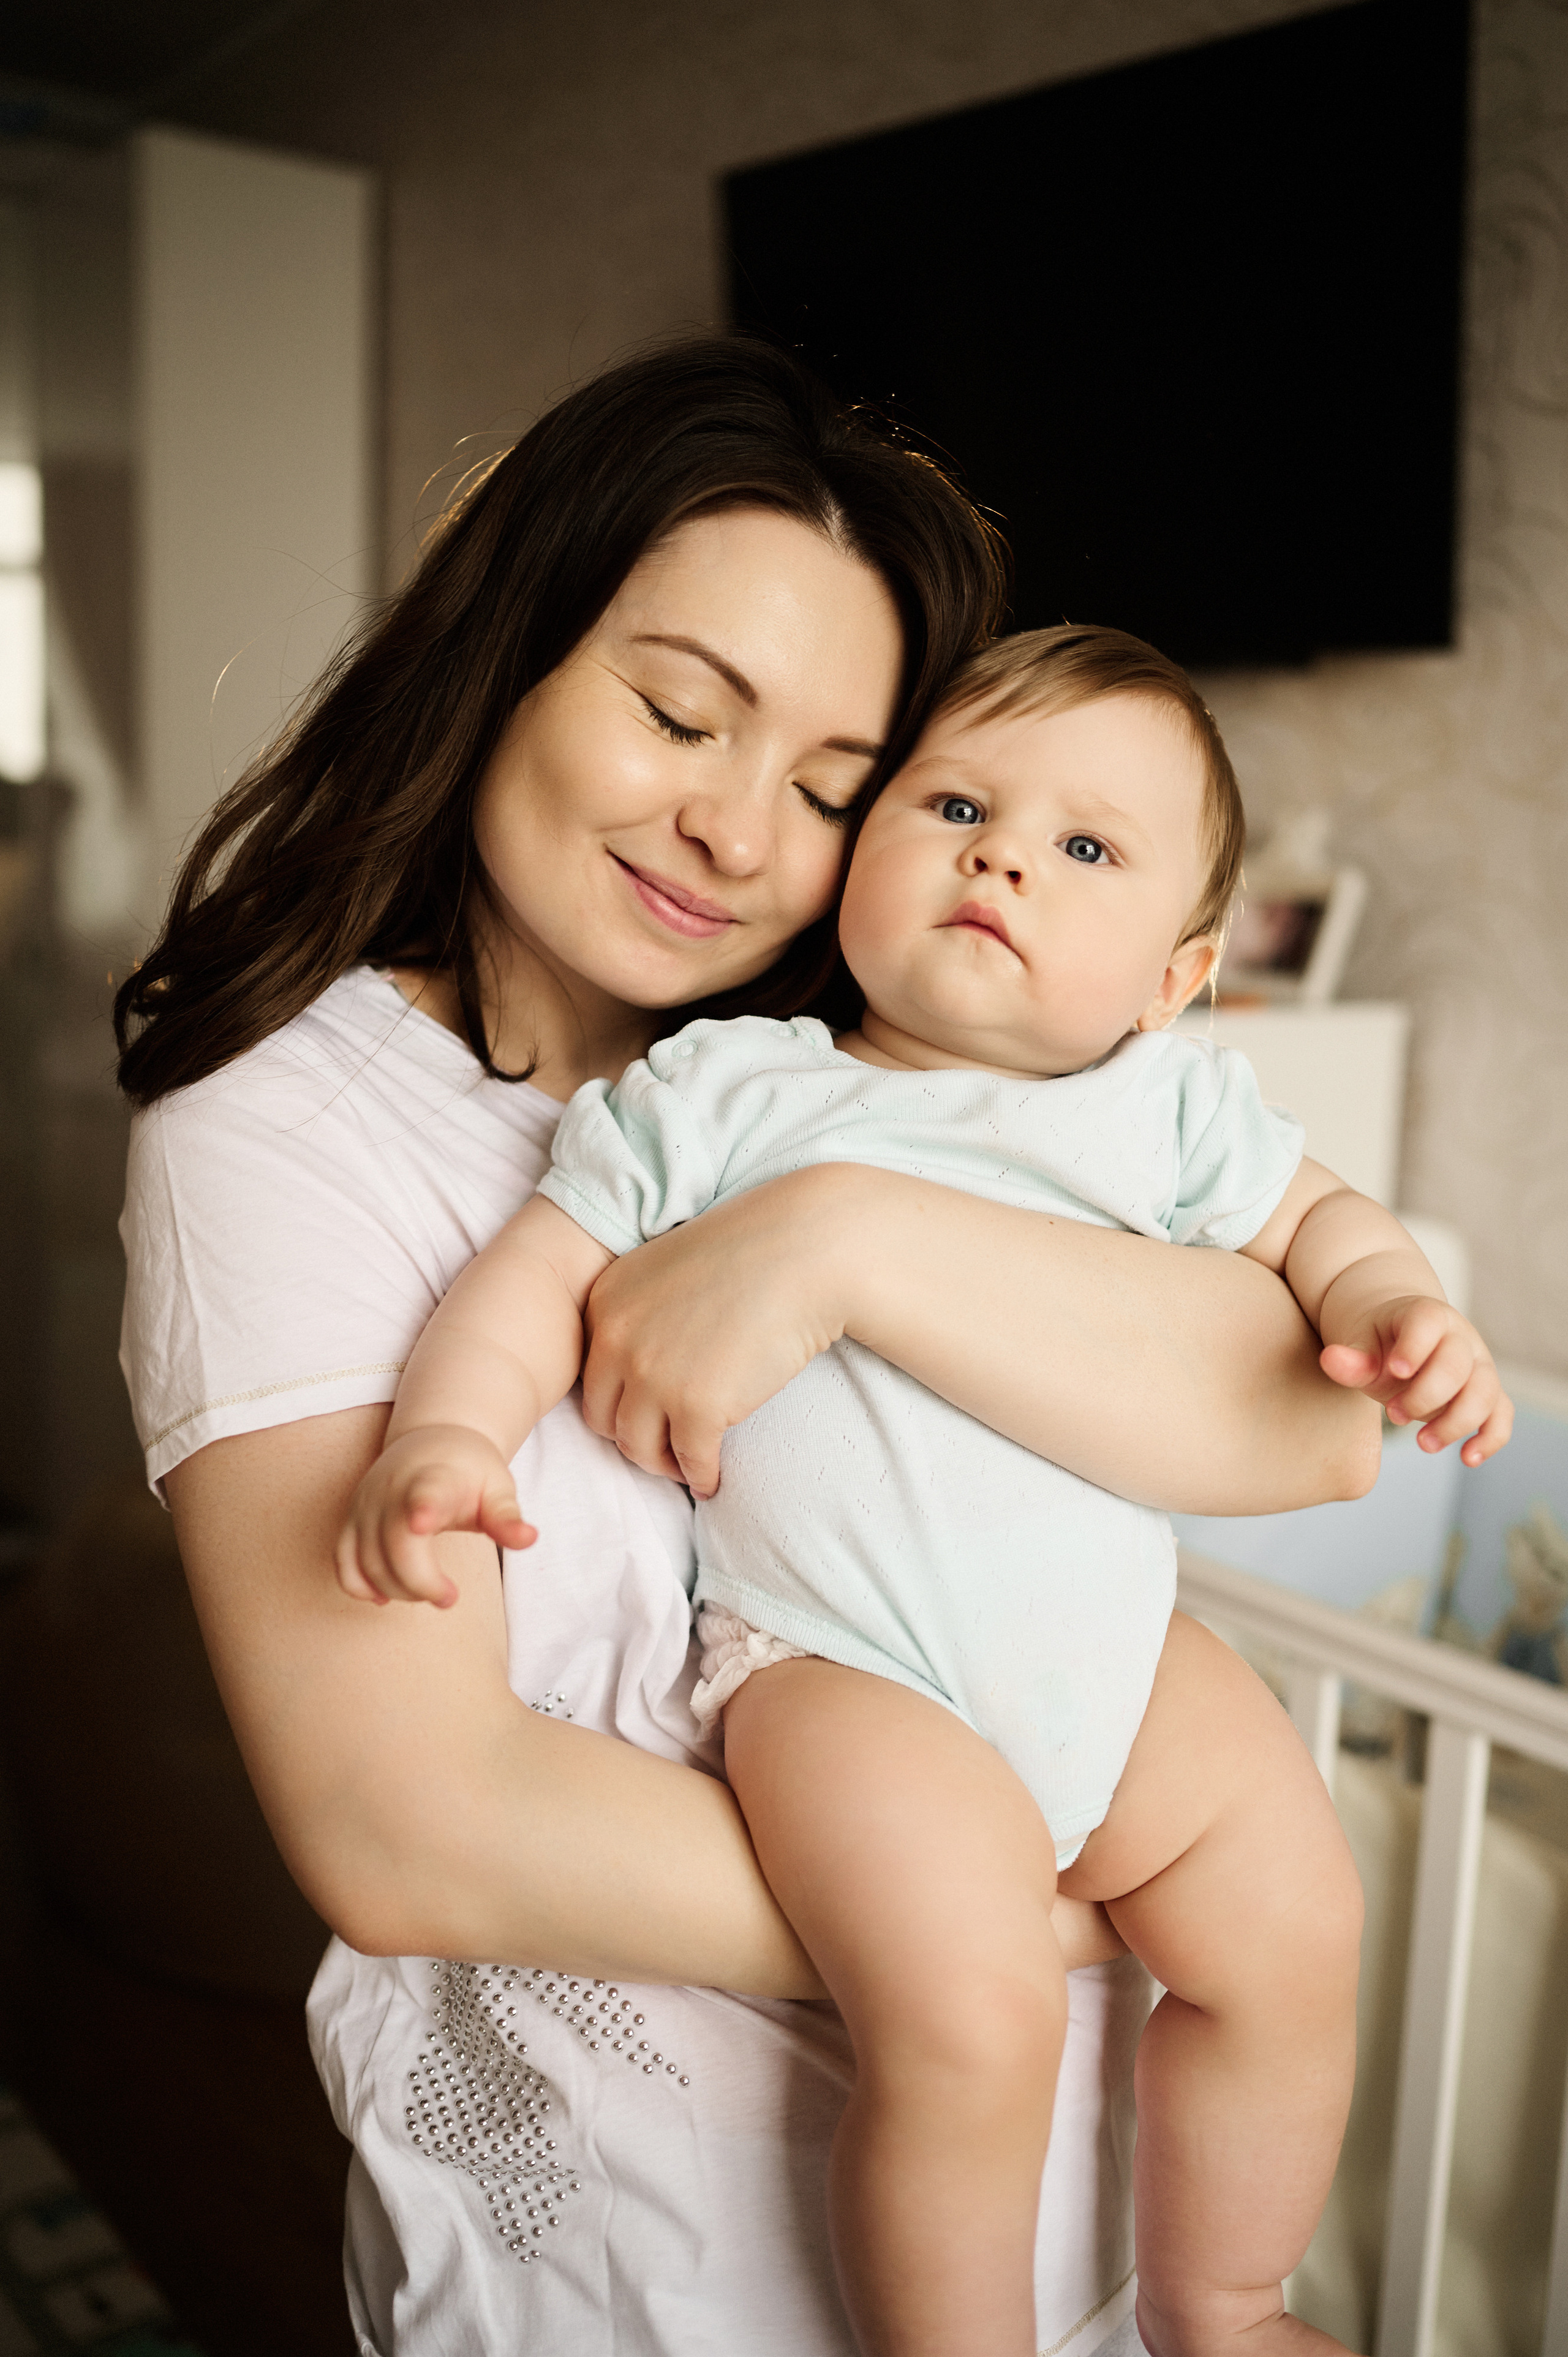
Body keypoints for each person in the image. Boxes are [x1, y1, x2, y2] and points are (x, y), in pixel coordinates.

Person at [117, 340, 1383, 2357]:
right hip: (644, 2270)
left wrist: (847, 1241)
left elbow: (1315, 1430)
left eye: (825, 787)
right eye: (679, 713)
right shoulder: (293, 1127)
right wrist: (1038, 1911)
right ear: (508, 647)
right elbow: (411, 1826)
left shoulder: (877, 1088)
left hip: (1100, 2246)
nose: (729, 829)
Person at [337, 620, 1510, 2355]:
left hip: (1114, 1659)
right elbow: (530, 1275)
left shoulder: (1165, 1113)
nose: (1005, 854)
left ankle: (1228, 2297)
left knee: (1297, 1922)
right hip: (842, 1667)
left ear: (1176, 976)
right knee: (970, 2009)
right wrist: (444, 1433)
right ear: (861, 861)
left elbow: (1322, 1228)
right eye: (954, 802)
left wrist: (1401, 1310)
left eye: (1086, 848)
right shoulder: (736, 1089)